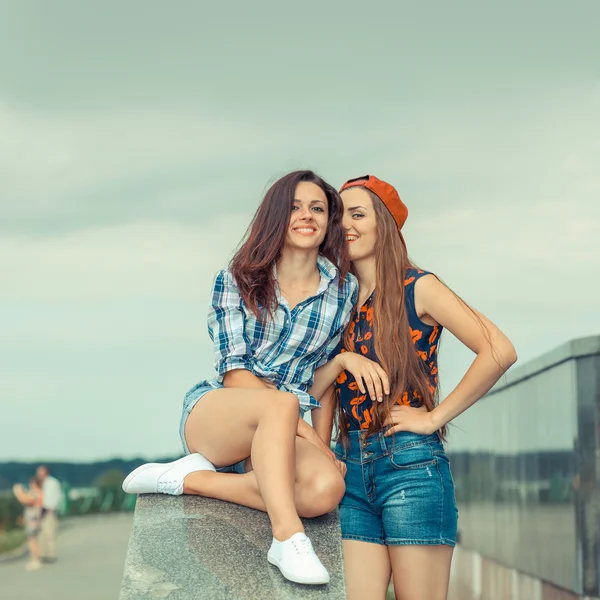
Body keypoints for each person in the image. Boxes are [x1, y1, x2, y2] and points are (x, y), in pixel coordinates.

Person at [123, 170, 377, 585]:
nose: (306, 216)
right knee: (281, 401)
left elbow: (322, 380)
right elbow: (236, 374)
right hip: (221, 415)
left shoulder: (342, 290)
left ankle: (190, 479)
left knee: (326, 489)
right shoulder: (238, 278)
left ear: (328, 220)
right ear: (276, 215)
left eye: (317, 208)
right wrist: (310, 437)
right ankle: (287, 537)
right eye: (294, 207)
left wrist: (326, 436)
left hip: (283, 426)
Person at [308, 175, 517, 600]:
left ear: (384, 223)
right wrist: (342, 365)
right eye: (339, 216)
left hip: (410, 468)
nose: (344, 224)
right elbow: (318, 387)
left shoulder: (418, 286)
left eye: (358, 213)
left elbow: (499, 350)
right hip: (347, 471)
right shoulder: (334, 303)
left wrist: (434, 418)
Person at [12, 477, 44, 571]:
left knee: (32, 541)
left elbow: (25, 500)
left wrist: (18, 492)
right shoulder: (38, 493)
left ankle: (36, 560)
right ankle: (35, 559)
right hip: (34, 520)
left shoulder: (36, 493)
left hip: (33, 521)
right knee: (33, 540)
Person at [36, 465, 62, 563]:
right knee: (40, 534)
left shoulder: (52, 483)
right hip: (40, 510)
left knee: (49, 533)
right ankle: (43, 554)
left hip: (49, 509)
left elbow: (58, 496)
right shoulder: (38, 483)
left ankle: (51, 554)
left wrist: (53, 507)